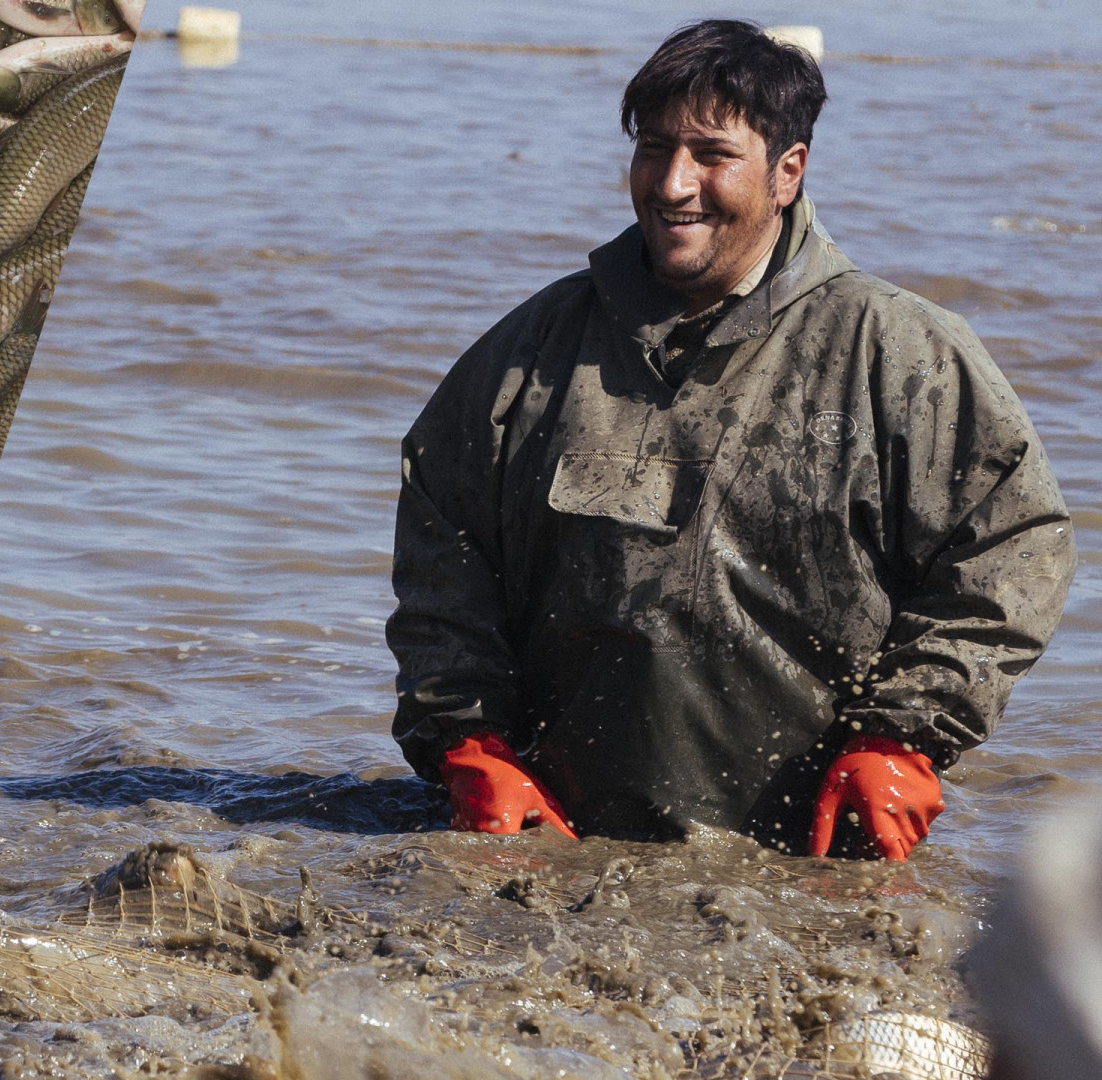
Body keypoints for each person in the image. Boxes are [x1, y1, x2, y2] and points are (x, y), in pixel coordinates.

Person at [386, 19, 1073, 860]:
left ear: (788, 172)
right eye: (653, 148)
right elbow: (441, 548)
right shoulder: (532, 351)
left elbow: (1012, 548)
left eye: (712, 154)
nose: (674, 184)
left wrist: (906, 738)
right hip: (553, 842)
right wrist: (467, 740)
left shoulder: (897, 351)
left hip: (813, 850)